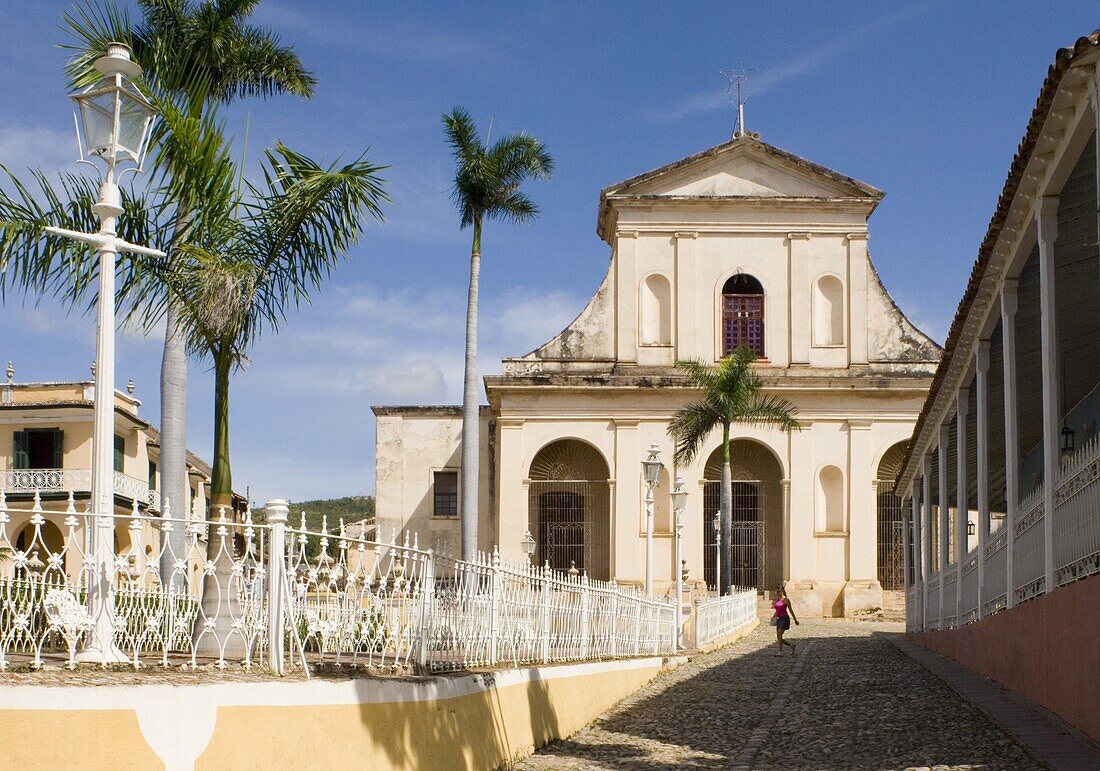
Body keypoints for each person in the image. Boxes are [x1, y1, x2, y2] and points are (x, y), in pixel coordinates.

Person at [772, 584, 799, 654]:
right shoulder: (777, 600)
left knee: (779, 635)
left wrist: (795, 620)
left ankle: (780, 651)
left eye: (779, 591)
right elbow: (777, 611)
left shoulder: (786, 600)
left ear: (782, 591)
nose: (778, 593)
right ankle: (791, 645)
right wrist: (773, 616)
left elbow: (791, 610)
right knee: (779, 637)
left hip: (784, 619)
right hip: (779, 619)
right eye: (777, 591)